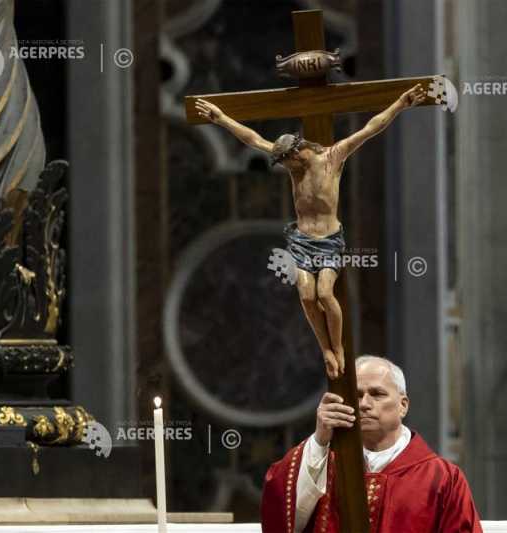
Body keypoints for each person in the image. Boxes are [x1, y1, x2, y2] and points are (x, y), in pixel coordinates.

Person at [194, 85, 427, 381]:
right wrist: (221, 119)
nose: (285, 167)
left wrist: (400, 104)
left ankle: (338, 347)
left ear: (297, 152)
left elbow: (370, 128)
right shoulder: (295, 168)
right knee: (306, 297)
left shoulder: (333, 157)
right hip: (301, 241)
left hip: (328, 241)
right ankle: (325, 350)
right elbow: (254, 139)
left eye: (286, 161)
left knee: (325, 294)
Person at [260, 355, 483, 533]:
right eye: (356, 395)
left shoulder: (442, 478)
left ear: (403, 405)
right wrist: (319, 439)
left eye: (377, 394)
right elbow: (279, 513)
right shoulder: (320, 464)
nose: (364, 404)